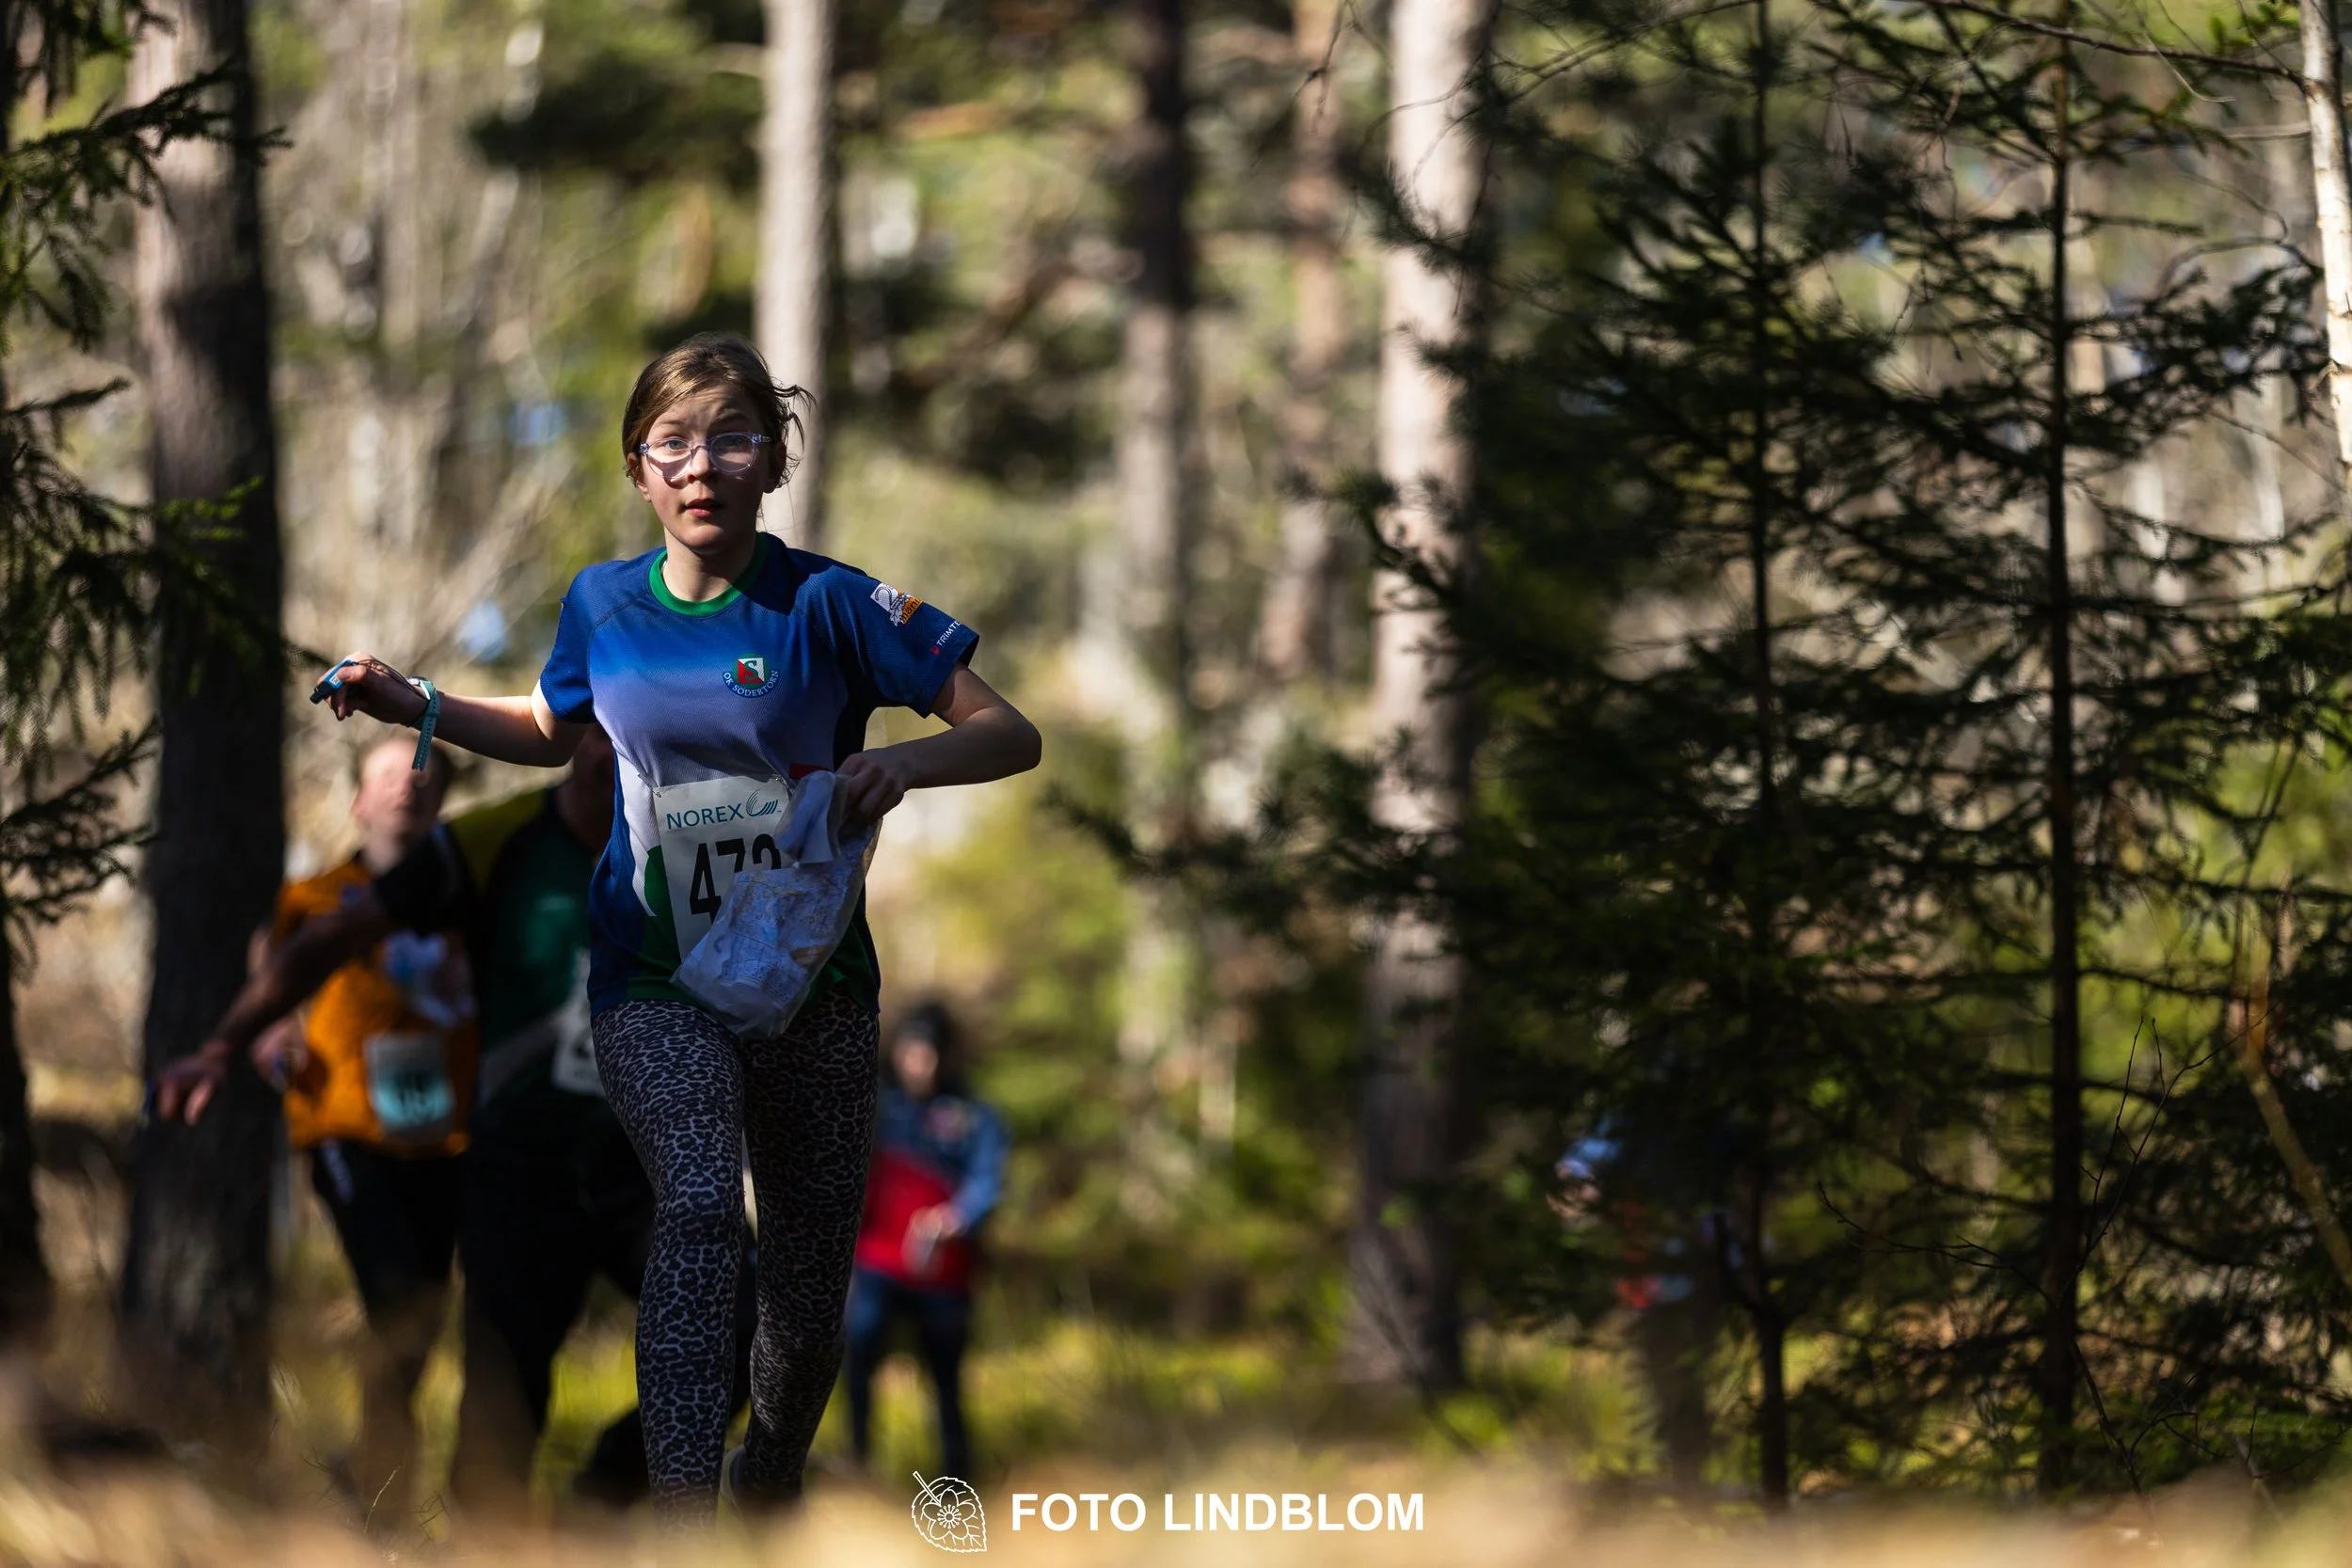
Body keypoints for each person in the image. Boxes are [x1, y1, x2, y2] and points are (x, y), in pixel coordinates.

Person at [284, 330, 1041, 1525]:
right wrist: (413, 700)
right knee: (695, 1201)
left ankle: (765, 1478)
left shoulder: (833, 603)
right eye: (673, 443)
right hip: (653, 972)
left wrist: (902, 763)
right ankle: (683, 1514)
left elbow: (1009, 732)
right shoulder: (603, 603)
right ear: (638, 468)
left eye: (733, 439)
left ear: (773, 460)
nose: (702, 465)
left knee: (805, 1301)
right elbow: (546, 726)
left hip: (812, 984)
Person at [158, 725, 752, 1516]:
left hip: (637, 1163)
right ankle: (432, 1519)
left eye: (640, 737)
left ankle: (597, 1502)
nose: (620, 756)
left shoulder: (692, 841)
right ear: (571, 738)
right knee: (487, 1397)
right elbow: (325, 937)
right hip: (507, 1168)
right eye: (603, 733)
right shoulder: (490, 842)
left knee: (749, 1323)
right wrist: (228, 1042)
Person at [158, 736, 474, 1521]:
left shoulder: (468, 895)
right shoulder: (315, 896)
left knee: (421, 1310)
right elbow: (269, 974)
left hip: (449, 1136)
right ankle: (378, 1488)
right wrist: (271, 1039)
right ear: (358, 799)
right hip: (345, 1127)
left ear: (443, 800)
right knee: (393, 1290)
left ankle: (372, 1474)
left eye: (424, 777)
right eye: (389, 776)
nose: (408, 787)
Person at [844, 1001, 1007, 1481]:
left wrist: (956, 1218)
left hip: (943, 1271)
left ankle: (956, 1482)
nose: (921, 1064)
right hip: (876, 1262)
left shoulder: (975, 1116)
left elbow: (987, 1183)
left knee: (945, 1377)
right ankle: (859, 1466)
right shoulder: (875, 1107)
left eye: (930, 1054)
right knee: (858, 1355)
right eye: (912, 1052)